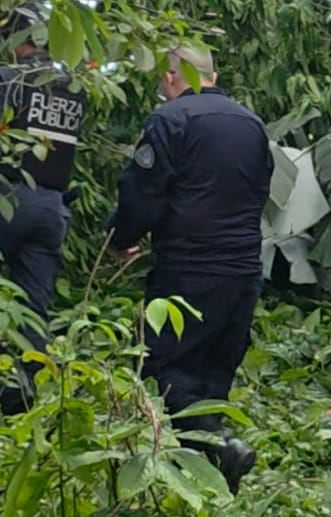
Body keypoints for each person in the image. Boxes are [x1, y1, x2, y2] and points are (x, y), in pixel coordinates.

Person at [105, 45, 272, 494]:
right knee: (215, 371)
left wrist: (121, 238)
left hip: (189, 269)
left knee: (164, 366)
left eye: (163, 78)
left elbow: (142, 192)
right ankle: (211, 479)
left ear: (174, 76)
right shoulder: (251, 124)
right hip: (243, 270)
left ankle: (220, 448)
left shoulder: (171, 121)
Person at [0, 0, 87, 416]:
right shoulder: (71, 85)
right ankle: (29, 389)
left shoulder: (2, 79)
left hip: (3, 201)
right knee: (35, 304)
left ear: (19, 37)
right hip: (51, 207)